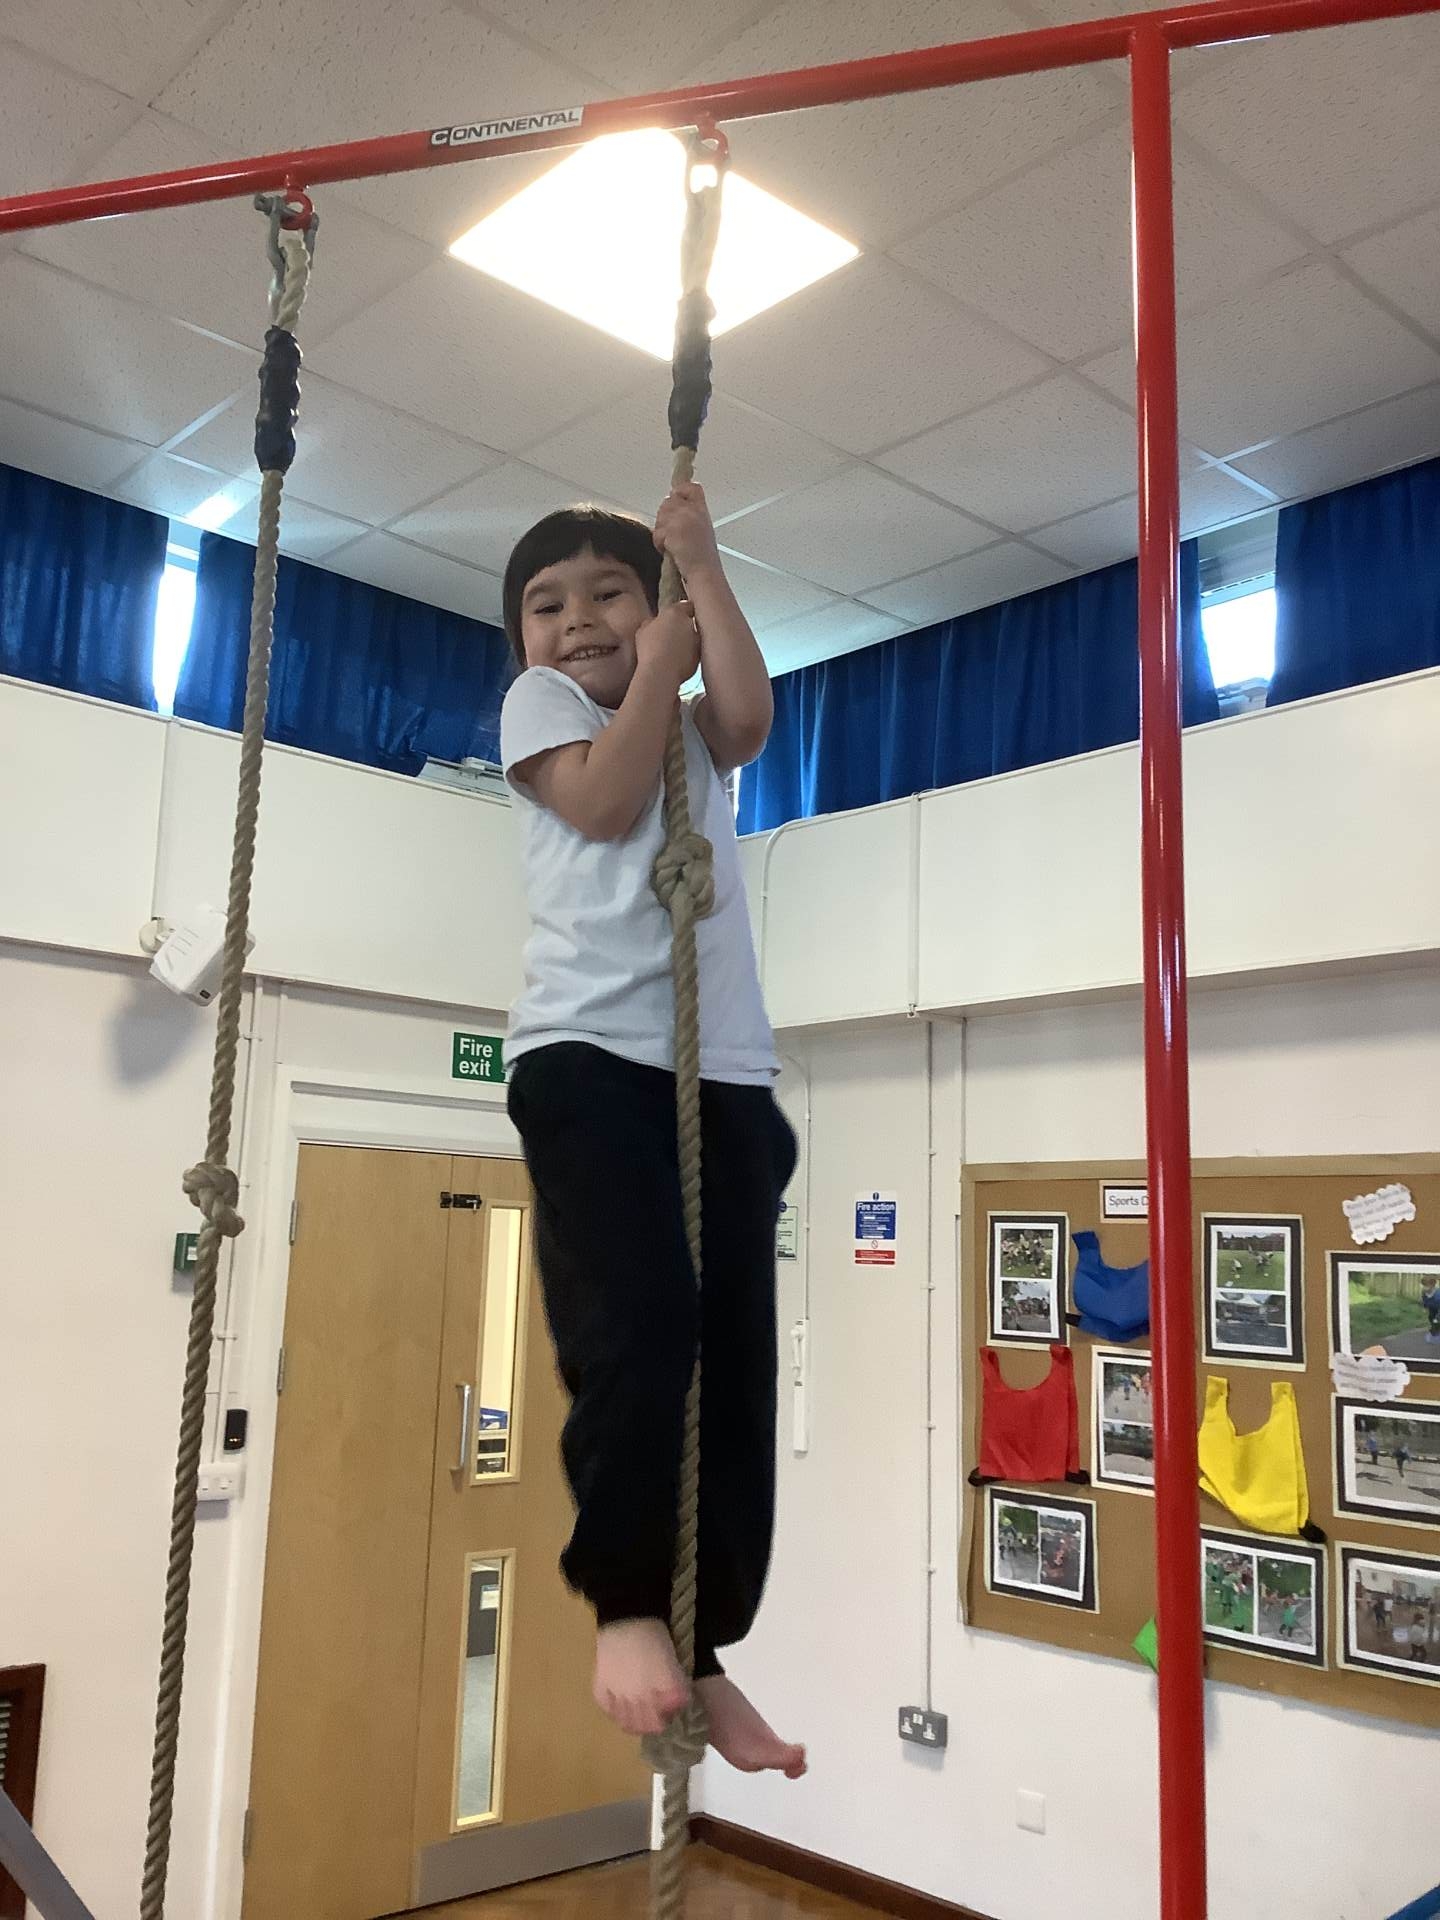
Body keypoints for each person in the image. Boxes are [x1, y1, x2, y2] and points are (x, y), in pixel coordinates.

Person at [498, 490, 805, 1779]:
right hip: (587, 1057)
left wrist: (704, 568)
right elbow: (605, 804)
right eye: (547, 604)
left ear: (655, 606)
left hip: (718, 1068)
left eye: (609, 594)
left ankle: (706, 1637)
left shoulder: (686, 722)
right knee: (638, 1325)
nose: (577, 620)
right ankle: (627, 1600)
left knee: (731, 1354)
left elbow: (749, 718)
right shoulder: (543, 710)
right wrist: (655, 674)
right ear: (522, 639)